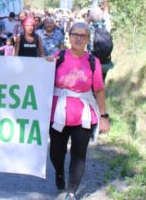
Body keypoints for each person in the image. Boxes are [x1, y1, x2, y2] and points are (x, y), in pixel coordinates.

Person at [47, 22, 110, 199]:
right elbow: (43, 78)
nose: (78, 38)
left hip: (83, 114)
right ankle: (59, 172)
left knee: (79, 154)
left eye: (83, 35)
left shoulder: (93, 62)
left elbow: (98, 89)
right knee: (56, 152)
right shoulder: (58, 56)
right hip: (58, 112)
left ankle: (72, 191)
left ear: (87, 39)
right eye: (75, 34)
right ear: (69, 35)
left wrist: (104, 116)